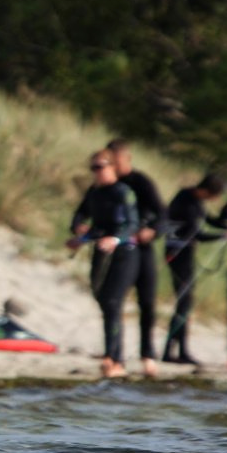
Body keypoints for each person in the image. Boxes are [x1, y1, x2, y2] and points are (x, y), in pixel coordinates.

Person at [68, 149, 140, 378]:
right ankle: (112, 354)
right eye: (93, 168)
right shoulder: (94, 192)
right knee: (101, 298)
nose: (96, 172)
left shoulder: (123, 191)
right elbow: (80, 216)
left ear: (112, 167)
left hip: (124, 253)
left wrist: (115, 238)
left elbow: (132, 223)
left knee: (112, 302)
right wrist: (79, 233)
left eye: (100, 167)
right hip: (100, 251)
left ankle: (114, 359)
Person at [162, 173, 227, 366]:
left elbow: (216, 221)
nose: (215, 199)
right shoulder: (187, 202)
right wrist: (225, 236)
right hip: (177, 256)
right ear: (208, 191)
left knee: (186, 303)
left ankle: (178, 350)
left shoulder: (195, 200)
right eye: (216, 196)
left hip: (186, 255)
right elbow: (199, 234)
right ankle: (172, 351)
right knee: (184, 302)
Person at [105, 138, 166, 376]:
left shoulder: (140, 182)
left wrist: (152, 231)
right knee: (114, 300)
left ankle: (147, 354)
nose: (114, 165)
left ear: (126, 159)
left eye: (116, 160)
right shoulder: (109, 185)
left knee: (147, 302)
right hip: (120, 249)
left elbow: (162, 213)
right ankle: (114, 355)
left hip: (143, 248)